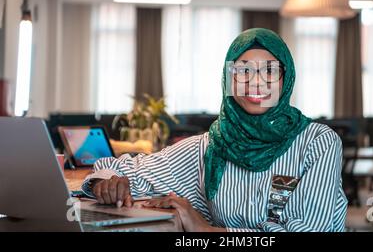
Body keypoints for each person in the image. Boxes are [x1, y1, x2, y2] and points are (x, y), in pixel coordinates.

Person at [82, 28, 348, 232]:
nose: (256, 82)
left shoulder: (318, 143)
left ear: (286, 78)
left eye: (270, 71)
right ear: (228, 79)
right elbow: (123, 170)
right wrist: (105, 183)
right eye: (243, 71)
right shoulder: (209, 147)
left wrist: (208, 231)